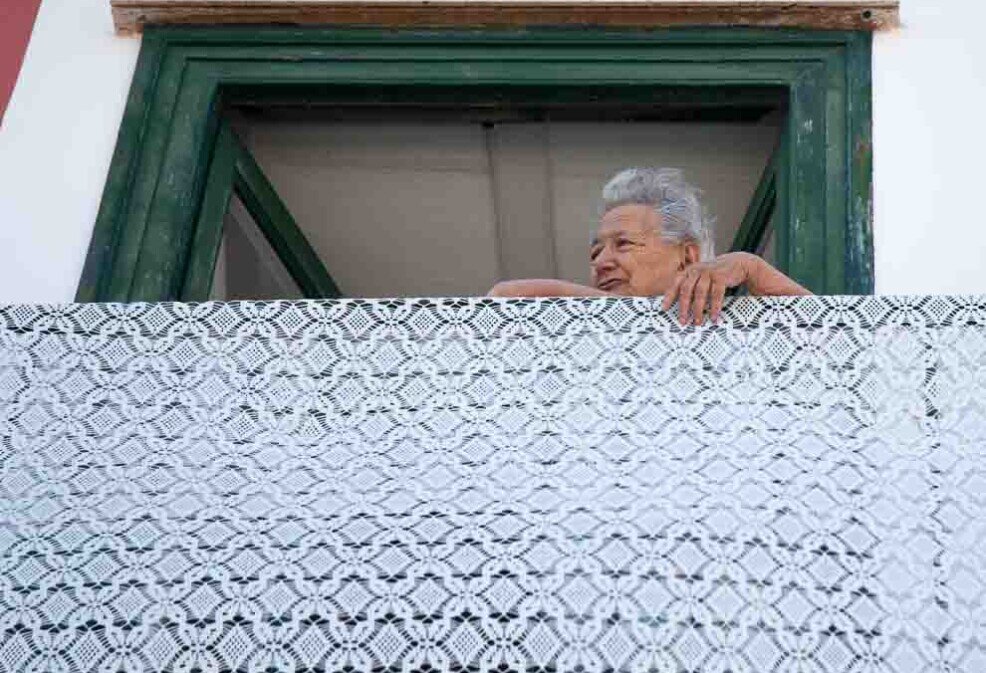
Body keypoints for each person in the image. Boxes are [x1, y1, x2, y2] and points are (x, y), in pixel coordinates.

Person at [487, 167, 810, 325]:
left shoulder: (735, 323)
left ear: (688, 255)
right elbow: (503, 295)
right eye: (595, 252)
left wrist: (750, 265)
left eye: (623, 244)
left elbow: (840, 341)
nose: (601, 263)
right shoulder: (579, 332)